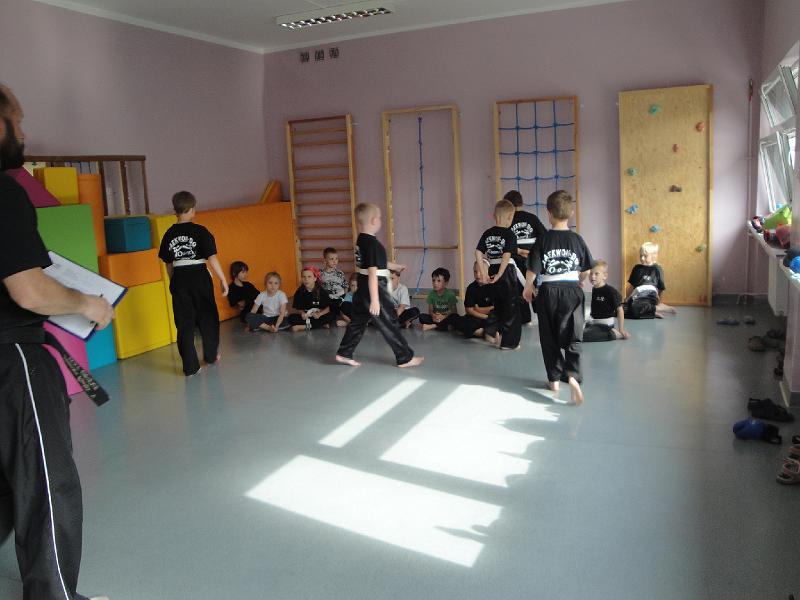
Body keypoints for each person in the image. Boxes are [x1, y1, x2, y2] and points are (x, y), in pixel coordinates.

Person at [0, 82, 113, 600]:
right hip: (13, 360)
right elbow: (29, 290)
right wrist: (87, 304)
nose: (24, 133)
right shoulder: (5, 193)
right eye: (18, 122)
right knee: (47, 482)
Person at [524, 190, 592, 405]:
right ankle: (572, 377)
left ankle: (554, 380)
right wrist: (579, 279)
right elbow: (586, 269)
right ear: (571, 213)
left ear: (549, 214)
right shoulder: (577, 239)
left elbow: (532, 269)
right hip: (572, 291)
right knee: (574, 337)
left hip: (548, 292)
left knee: (549, 337)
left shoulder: (543, 239)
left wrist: (527, 287)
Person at [336, 203, 423, 368]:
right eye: (380, 218)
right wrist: (375, 300)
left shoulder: (361, 240)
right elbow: (373, 272)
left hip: (362, 285)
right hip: (375, 286)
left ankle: (344, 353)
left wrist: (395, 266)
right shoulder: (372, 244)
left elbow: (375, 263)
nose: (380, 221)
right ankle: (405, 357)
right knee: (389, 321)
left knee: (358, 320)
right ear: (374, 220)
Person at [158, 191, 229, 376]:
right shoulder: (200, 231)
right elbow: (212, 258)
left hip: (180, 277)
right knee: (207, 316)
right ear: (192, 209)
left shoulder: (168, 234)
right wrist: (222, 279)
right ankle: (211, 356)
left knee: (184, 323)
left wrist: (173, 282)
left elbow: (168, 264)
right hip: (199, 275)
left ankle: (190, 367)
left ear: (175, 210)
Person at [476, 199, 521, 349]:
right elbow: (507, 255)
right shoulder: (510, 234)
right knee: (511, 307)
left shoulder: (487, 233)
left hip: (492, 270)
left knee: (498, 305)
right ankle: (509, 343)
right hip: (506, 272)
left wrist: (484, 272)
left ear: (494, 216)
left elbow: (478, 252)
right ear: (510, 217)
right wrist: (501, 274)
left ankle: (491, 331)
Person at [504, 190, 547, 325]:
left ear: (508, 205)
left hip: (515, 261)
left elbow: (504, 243)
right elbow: (544, 237)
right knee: (534, 286)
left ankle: (525, 317)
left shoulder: (508, 220)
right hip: (532, 260)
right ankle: (540, 314)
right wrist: (533, 252)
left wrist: (519, 250)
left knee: (518, 288)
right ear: (521, 203)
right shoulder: (532, 218)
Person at [624, 242, 677, 319]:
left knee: (634, 309)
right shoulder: (637, 268)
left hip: (649, 294)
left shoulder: (657, 269)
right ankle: (652, 311)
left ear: (653, 256)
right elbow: (631, 286)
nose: (642, 258)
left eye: (645, 256)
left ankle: (658, 308)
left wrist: (658, 302)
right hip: (637, 294)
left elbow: (661, 288)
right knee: (622, 309)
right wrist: (627, 298)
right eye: (641, 255)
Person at [583, 260, 630, 342]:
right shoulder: (594, 289)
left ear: (604, 276)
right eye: (590, 273)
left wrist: (621, 329)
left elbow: (620, 310)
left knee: (584, 336)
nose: (592, 276)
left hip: (605, 325)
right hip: (594, 322)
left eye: (596, 274)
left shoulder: (611, 291)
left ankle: (614, 334)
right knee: (577, 332)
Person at [456, 262, 498, 339]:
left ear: (488, 271)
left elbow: (496, 308)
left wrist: (478, 309)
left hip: (492, 317)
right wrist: (485, 316)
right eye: (475, 271)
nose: (478, 275)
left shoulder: (494, 286)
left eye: (480, 271)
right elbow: (469, 310)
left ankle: (485, 332)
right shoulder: (471, 288)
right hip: (476, 317)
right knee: (459, 321)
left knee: (500, 319)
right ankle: (483, 333)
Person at [287, 266, 336, 331]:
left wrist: (319, 314)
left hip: (318, 315)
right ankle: (319, 325)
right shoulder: (299, 292)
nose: (306, 279)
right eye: (304, 277)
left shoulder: (321, 291)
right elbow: (299, 308)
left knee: (332, 315)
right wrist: (302, 314)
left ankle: (304, 327)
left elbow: (328, 308)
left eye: (309, 277)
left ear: (315, 278)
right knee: (291, 317)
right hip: (307, 316)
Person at [418, 267, 460, 332]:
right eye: (433, 280)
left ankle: (433, 326)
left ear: (446, 283)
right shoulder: (431, 294)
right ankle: (444, 326)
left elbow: (454, 311)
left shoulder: (450, 294)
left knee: (455, 317)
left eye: (439, 281)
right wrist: (433, 316)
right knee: (422, 316)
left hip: (446, 317)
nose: (435, 283)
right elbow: (430, 311)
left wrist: (443, 316)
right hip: (436, 318)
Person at [319, 247, 348, 318]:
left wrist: (344, 297)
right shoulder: (320, 273)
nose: (334, 261)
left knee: (342, 304)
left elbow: (345, 286)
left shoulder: (340, 273)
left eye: (336, 259)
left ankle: (341, 316)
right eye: (331, 259)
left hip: (339, 297)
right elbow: (318, 287)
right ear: (325, 260)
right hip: (327, 298)